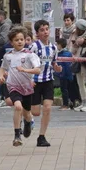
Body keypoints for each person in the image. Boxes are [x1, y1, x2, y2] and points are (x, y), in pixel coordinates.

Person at [0, 27, 41, 147]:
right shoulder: (8, 56)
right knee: (17, 107)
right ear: (11, 42)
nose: (20, 42)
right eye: (16, 40)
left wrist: (25, 70)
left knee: (27, 113)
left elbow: (37, 70)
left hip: (27, 87)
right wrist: (1, 76)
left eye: (22, 39)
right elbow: (3, 67)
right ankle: (17, 135)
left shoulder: (30, 55)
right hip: (13, 86)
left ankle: (28, 122)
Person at [26, 19, 57, 147]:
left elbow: (54, 63)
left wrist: (57, 67)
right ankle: (27, 119)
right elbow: (27, 63)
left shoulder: (53, 47)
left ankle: (42, 136)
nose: (45, 32)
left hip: (48, 80)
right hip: (35, 81)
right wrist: (29, 79)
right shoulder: (34, 46)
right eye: (42, 30)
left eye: (47, 29)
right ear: (37, 33)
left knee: (48, 108)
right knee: (35, 112)